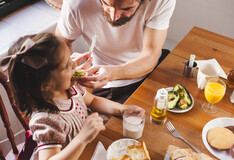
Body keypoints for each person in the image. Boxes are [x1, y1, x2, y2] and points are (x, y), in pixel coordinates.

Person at [0, 33, 144, 160]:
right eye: (67, 65)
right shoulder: (46, 120)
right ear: (46, 84)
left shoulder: (70, 87)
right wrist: (82, 138)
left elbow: (93, 100)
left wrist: (122, 110)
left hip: (88, 149)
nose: (75, 64)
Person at [55, 0, 176, 103]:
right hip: (112, 87)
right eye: (105, 3)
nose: (114, 16)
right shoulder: (76, 3)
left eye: (127, 8)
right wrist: (69, 66)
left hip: (154, 70)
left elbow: (150, 56)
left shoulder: (160, 1)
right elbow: (61, 43)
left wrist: (112, 73)